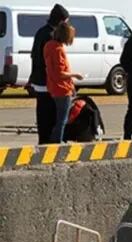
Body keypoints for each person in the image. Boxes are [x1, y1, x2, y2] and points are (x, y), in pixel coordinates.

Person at [29, 4, 69, 145]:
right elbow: (52, 65)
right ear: (60, 21)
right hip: (48, 82)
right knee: (52, 115)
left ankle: (43, 141)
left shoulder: (41, 32)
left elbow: (34, 56)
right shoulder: (52, 37)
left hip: (38, 80)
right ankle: (49, 143)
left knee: (42, 113)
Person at [44, 22, 83, 144]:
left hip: (52, 86)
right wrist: (75, 75)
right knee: (62, 119)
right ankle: (57, 142)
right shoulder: (59, 49)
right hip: (62, 88)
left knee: (58, 117)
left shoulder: (48, 45)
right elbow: (61, 73)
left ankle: (55, 139)